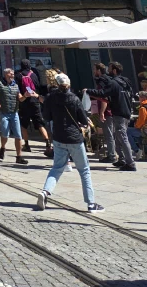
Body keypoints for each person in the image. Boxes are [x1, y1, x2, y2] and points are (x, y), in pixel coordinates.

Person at [37, 73, 104, 212]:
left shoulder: (51, 98)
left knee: (56, 168)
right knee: (84, 170)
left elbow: (46, 116)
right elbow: (83, 119)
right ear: (69, 85)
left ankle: (45, 192)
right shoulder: (74, 98)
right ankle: (91, 204)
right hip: (74, 138)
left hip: (58, 137)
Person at [86, 61, 136, 170]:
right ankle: (122, 160)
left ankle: (130, 163)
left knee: (122, 137)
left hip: (119, 112)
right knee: (118, 136)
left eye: (109, 68)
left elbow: (103, 93)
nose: (108, 71)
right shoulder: (126, 82)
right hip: (127, 111)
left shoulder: (114, 83)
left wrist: (88, 91)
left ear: (114, 70)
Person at [15, 60, 52, 156]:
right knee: (40, 123)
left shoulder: (18, 75)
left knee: (23, 125)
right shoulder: (34, 74)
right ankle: (48, 143)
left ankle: (26, 144)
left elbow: (17, 89)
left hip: (24, 102)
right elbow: (38, 86)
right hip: (35, 101)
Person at [0, 69, 28, 165]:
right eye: (10, 73)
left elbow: (20, 98)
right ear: (5, 74)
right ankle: (3, 147)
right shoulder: (0, 84)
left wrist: (25, 96)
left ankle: (19, 156)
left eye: (13, 73)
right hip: (4, 112)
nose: (12, 75)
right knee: (5, 133)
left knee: (18, 135)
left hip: (14, 113)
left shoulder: (15, 85)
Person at [127, 90, 147, 159]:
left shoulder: (143, 108)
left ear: (143, 98)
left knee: (126, 131)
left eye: (139, 97)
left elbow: (142, 121)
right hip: (145, 129)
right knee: (134, 133)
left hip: (145, 130)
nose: (138, 98)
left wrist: (136, 126)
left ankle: (137, 150)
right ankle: (141, 150)